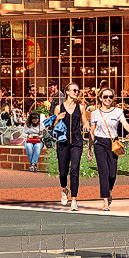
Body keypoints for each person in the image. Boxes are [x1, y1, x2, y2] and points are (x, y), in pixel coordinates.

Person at [89, 87, 129, 212]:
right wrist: (89, 149)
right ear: (100, 99)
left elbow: (125, 124)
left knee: (112, 173)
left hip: (113, 143)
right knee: (103, 172)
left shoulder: (118, 111)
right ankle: (104, 200)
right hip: (99, 143)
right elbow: (92, 131)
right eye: (105, 97)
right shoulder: (95, 113)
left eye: (110, 97)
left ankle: (109, 190)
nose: (108, 99)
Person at [53, 83, 86, 211]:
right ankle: (64, 189)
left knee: (75, 170)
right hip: (63, 142)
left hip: (77, 142)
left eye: (78, 90)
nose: (76, 92)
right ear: (67, 92)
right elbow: (54, 126)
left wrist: (87, 126)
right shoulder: (58, 108)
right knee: (63, 171)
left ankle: (74, 200)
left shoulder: (81, 108)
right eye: (74, 90)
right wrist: (57, 119)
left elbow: (84, 122)